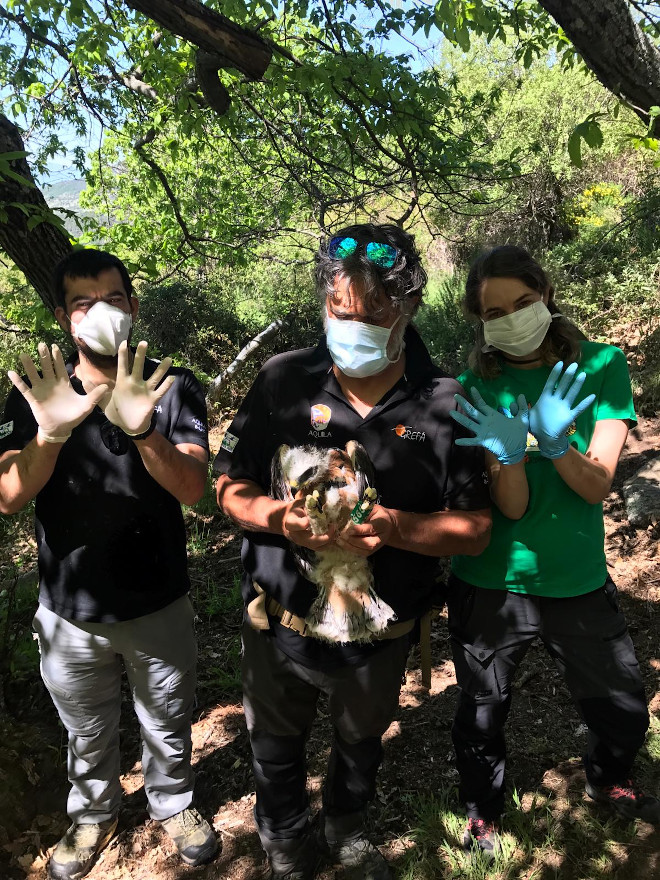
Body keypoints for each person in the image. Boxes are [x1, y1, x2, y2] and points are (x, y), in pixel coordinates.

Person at [214, 223, 492, 880]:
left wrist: (394, 528)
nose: (354, 327)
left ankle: (345, 825)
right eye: (340, 313)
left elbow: (475, 527)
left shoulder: (447, 402)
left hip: (383, 631)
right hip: (279, 619)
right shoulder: (283, 380)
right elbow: (228, 486)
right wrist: (283, 519)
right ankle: (283, 835)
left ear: (410, 304)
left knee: (361, 739)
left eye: (374, 314)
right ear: (323, 305)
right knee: (274, 743)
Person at [0, 249, 218, 879]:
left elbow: (193, 489)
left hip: (158, 602)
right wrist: (49, 434)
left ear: (134, 305)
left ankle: (173, 803)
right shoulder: (33, 390)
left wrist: (146, 432)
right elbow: (9, 496)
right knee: (85, 730)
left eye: (112, 299)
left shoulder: (171, 383)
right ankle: (94, 813)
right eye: (81, 302)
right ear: (66, 318)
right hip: (68, 612)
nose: (99, 312)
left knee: (168, 721)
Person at [447, 244, 659, 857]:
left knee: (622, 708)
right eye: (495, 311)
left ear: (545, 296)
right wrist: (511, 454)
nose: (512, 317)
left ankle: (608, 779)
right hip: (492, 581)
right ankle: (483, 810)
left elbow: (596, 485)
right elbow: (509, 507)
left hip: (577, 576)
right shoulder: (475, 385)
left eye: (523, 302)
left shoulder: (601, 366)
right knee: (482, 710)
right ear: (480, 323)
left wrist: (555, 439)